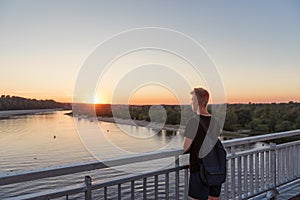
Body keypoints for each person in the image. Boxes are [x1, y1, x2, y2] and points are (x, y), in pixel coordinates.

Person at [182, 87, 222, 200]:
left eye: (192, 100)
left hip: (199, 169)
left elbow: (185, 148)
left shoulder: (193, 122)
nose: (191, 103)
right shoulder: (215, 121)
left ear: (197, 102)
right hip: (215, 168)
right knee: (214, 198)